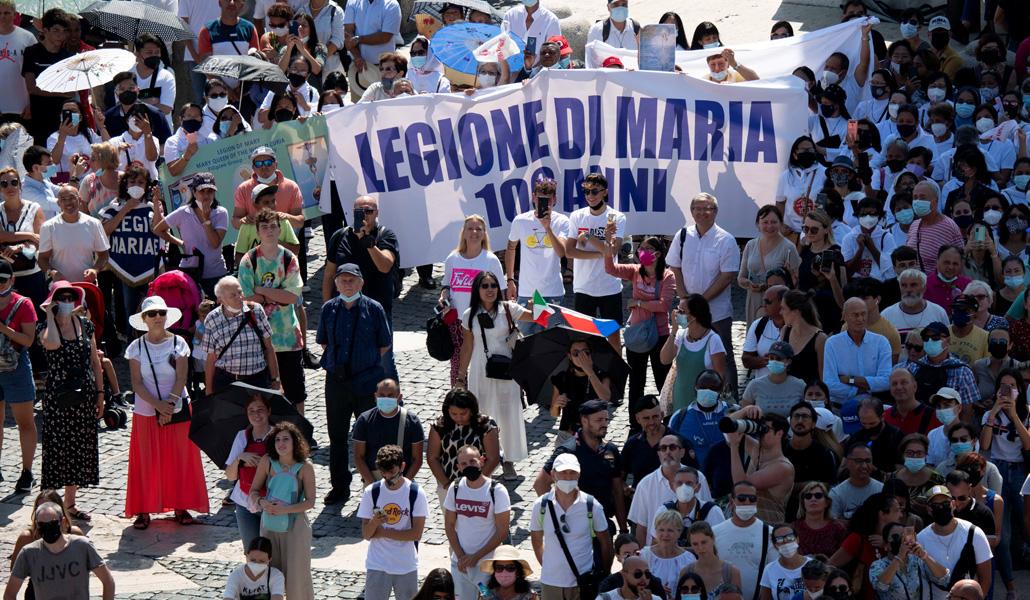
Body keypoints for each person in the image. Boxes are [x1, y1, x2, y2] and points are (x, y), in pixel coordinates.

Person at [123, 295, 207, 529]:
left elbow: (182, 377)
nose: (158, 317)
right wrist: (158, 406)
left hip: (177, 408)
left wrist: (168, 405)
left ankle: (181, 506)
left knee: (180, 459)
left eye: (161, 313)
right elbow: (137, 383)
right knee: (146, 461)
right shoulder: (135, 348)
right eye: (152, 314)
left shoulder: (179, 342)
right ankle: (143, 509)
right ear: (144, 319)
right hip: (146, 411)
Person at [316, 263, 391, 505]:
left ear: (361, 283)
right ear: (336, 283)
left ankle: (372, 484)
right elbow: (323, 342)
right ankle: (339, 486)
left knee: (370, 436)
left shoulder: (374, 308)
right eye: (343, 280)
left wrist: (364, 364)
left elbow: (384, 344)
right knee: (336, 437)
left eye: (352, 280)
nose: (347, 285)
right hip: (336, 383)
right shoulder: (329, 309)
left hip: (366, 382)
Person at [36, 281, 102, 522]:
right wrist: (52, 317)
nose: (65, 301)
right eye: (60, 297)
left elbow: (95, 361)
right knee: (57, 449)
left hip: (83, 395)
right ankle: (49, 507)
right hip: (58, 397)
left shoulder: (86, 326)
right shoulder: (44, 327)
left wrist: (100, 394)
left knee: (79, 448)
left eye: (69, 297)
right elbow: (52, 343)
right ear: (53, 300)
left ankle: (71, 503)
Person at [457, 270, 534, 478]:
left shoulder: (509, 309)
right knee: (482, 416)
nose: (490, 290)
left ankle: (508, 460)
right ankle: (485, 459)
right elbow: (467, 347)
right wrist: (460, 377)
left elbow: (538, 316)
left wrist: (537, 298)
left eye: (493, 285)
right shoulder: (469, 315)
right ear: (477, 289)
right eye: (485, 286)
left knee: (508, 414)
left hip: (508, 372)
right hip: (481, 372)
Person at [667, 193, 741, 393]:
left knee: (723, 356)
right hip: (687, 310)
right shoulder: (682, 235)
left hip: (717, 312)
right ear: (691, 212)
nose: (702, 213)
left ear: (715, 212)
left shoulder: (726, 240)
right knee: (687, 353)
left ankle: (729, 396)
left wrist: (699, 302)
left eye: (707, 208)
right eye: (697, 208)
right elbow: (675, 267)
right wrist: (684, 298)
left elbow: (727, 276)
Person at [237, 207, 305, 411]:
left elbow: (292, 297)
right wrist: (276, 293)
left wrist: (262, 291)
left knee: (295, 392)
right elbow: (247, 300)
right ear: (257, 232)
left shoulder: (289, 259)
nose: (269, 231)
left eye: (273, 227)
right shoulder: (249, 260)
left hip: (288, 338)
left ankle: (301, 433)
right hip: (259, 339)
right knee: (262, 395)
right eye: (264, 227)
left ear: (280, 230)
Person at [536, 400, 629, 534]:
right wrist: (556, 514)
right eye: (599, 420)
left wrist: (624, 530)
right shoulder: (568, 450)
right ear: (584, 421)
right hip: (576, 524)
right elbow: (541, 483)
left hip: (603, 523)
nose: (604, 424)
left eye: (606, 419)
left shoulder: (610, 450)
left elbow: (617, 491)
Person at [247, 422, 315, 600]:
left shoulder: (306, 467)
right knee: (268, 574)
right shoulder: (266, 462)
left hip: (296, 528)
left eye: (286, 439)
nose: (281, 443)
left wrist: (286, 509)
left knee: (297, 578)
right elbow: (253, 491)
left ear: (295, 442)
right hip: (269, 525)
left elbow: (310, 502)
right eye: (277, 439)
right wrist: (262, 502)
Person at [530, 453, 613, 600]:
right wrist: (550, 566)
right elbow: (536, 542)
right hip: (551, 583)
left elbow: (606, 543)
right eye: (563, 472)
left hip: (582, 582)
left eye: (572, 472)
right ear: (553, 474)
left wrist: (603, 574)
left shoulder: (592, 506)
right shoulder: (540, 506)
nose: (568, 477)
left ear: (579, 475)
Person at [605, 235, 675, 403]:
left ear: (658, 254)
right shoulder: (635, 270)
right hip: (637, 334)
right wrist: (608, 252)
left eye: (647, 250)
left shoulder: (667, 276)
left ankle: (666, 417)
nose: (642, 252)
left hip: (660, 334)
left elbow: (663, 306)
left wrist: (638, 303)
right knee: (636, 381)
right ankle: (635, 423)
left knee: (662, 380)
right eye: (640, 249)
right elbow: (611, 269)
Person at [563, 173, 626, 349]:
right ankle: (587, 375)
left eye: (595, 191)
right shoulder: (577, 216)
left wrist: (590, 237)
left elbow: (613, 251)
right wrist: (599, 254)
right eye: (586, 191)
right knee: (583, 338)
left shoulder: (616, 217)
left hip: (609, 286)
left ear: (604, 192)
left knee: (613, 337)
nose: (590, 196)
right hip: (584, 287)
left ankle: (617, 376)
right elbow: (569, 252)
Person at [3, 502, 115, 599]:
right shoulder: (29, 553)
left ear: (62, 522)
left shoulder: (82, 546)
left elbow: (108, 581)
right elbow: (9, 594)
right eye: (42, 525)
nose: (48, 528)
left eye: (52, 523)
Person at [442, 215, 506, 385]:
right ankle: (459, 398)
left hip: (482, 320)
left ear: (484, 233)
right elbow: (446, 285)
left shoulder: (491, 260)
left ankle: (481, 400)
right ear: (463, 233)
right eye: (470, 228)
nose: (474, 232)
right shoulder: (452, 258)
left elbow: (502, 292)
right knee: (457, 363)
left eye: (479, 229)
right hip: (457, 321)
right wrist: (443, 297)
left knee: (483, 361)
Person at [443, 444, 510, 599]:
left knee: (488, 597)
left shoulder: (497, 491)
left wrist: (475, 557)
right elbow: (449, 525)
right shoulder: (455, 488)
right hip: (460, 565)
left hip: (487, 567)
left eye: (472, 462)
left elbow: (502, 531)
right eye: (464, 464)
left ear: (481, 460)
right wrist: (461, 557)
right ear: (458, 467)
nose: (469, 466)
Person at [506, 176, 568, 334]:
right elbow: (511, 248)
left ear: (554, 199)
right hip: (528, 292)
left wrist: (548, 228)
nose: (544, 204)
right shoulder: (520, 220)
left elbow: (562, 252)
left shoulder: (562, 221)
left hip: (552, 291)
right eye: (540, 199)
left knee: (553, 340)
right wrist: (510, 279)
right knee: (526, 341)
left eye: (547, 200)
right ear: (533, 197)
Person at [153, 172, 229, 298]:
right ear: (194, 192)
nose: (206, 196)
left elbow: (215, 243)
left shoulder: (221, 213)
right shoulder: (183, 212)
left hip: (215, 274)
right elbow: (158, 229)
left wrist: (206, 219)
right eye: (202, 191)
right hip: (189, 273)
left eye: (210, 191)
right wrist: (180, 243)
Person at [324, 195, 398, 319]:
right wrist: (327, 307)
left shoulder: (385, 235)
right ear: (353, 213)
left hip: (376, 309)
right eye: (360, 211)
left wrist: (366, 240)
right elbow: (329, 274)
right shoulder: (340, 236)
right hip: (344, 308)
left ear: (377, 213)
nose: (365, 215)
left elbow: (385, 266)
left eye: (369, 211)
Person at [201, 275, 280, 393]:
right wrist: (209, 389)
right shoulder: (212, 319)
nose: (239, 297)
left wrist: (276, 379)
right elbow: (211, 358)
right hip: (227, 382)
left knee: (257, 411)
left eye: (240, 292)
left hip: (257, 379)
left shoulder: (256, 310)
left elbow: (269, 347)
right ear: (220, 299)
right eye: (233, 295)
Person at [629, 435, 711, 546]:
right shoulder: (645, 485)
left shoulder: (698, 478)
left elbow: (707, 512)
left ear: (682, 452)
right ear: (659, 454)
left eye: (672, 447)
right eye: (663, 448)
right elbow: (641, 527)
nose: (667, 452)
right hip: (658, 553)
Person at [916, 485, 993, 599]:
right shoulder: (921, 539)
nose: (941, 508)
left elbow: (985, 578)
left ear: (953, 504)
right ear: (929, 509)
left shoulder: (974, 533)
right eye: (936, 506)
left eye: (945, 504)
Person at [0, 261, 37, 492]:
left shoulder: (23, 304)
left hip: (16, 368)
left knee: (25, 422)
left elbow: (28, 341)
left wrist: (3, 328)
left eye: (1, 280)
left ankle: (27, 471)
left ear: (11, 280)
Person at [427, 388, 501, 499]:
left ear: (471, 410)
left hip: (479, 484)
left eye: (463, 413)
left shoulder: (485, 425)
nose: (458, 418)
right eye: (454, 414)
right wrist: (447, 485)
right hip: (448, 483)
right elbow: (432, 458)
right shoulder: (439, 426)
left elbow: (493, 458)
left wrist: (476, 483)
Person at [828, 492, 903, 599]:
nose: (901, 515)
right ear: (882, 514)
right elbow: (830, 566)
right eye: (896, 510)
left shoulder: (900, 537)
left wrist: (887, 544)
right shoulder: (858, 539)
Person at [352, 378, 424, 487]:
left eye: (390, 395)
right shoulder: (364, 420)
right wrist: (373, 485)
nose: (386, 398)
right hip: (373, 478)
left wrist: (403, 484)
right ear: (375, 397)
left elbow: (417, 459)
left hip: (402, 479)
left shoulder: (412, 421)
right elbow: (359, 457)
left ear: (399, 398)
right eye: (382, 395)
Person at [224, 391, 273, 550]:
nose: (256, 414)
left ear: (268, 411)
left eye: (260, 409)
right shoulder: (241, 436)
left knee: (273, 551)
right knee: (251, 551)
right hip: (244, 502)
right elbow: (230, 476)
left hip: (270, 502)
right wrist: (239, 458)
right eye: (251, 410)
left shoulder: (278, 436)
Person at [661, 294, 727, 411]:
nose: (676, 314)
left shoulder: (713, 340)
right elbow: (664, 359)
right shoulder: (680, 335)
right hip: (680, 400)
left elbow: (720, 376)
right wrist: (674, 331)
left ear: (694, 316)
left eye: (681, 311)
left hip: (704, 405)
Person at [823, 297, 893, 405]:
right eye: (855, 315)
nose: (860, 319)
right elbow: (829, 385)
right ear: (845, 316)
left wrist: (850, 379)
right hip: (842, 406)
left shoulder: (881, 342)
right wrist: (862, 389)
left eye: (863, 314)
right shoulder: (832, 344)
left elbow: (886, 381)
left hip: (874, 406)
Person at [738, 206, 799, 326]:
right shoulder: (750, 245)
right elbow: (741, 277)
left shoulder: (789, 248)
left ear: (781, 224)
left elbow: (796, 282)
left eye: (774, 222)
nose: (769, 226)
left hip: (778, 302)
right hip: (754, 299)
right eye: (765, 222)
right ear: (758, 224)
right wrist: (748, 284)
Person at [713, 481, 773, 600]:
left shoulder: (769, 533)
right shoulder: (715, 532)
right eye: (741, 498)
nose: (747, 502)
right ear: (732, 501)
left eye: (752, 499)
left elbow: (773, 573)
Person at [20, 9, 73, 145]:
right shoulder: (31, 52)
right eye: (56, 30)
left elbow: (71, 92)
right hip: (38, 120)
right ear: (45, 30)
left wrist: (50, 91)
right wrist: (60, 93)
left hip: (62, 121)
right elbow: (31, 88)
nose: (61, 35)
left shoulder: (69, 57)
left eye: (64, 31)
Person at [37, 185, 108, 284]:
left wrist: (95, 270)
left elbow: (104, 255)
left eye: (71, 198)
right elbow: (42, 259)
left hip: (87, 285)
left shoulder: (94, 224)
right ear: (58, 203)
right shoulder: (48, 227)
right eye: (63, 199)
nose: (68, 202)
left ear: (79, 199)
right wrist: (52, 272)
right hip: (60, 289)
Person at [906, 322, 978, 415]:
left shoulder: (963, 371)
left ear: (948, 340)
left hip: (948, 426)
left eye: (935, 338)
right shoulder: (914, 367)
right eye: (926, 338)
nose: (930, 341)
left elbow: (966, 412)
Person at [868, 520, 949, 600]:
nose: (901, 541)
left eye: (904, 536)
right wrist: (899, 557)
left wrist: (925, 556)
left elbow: (944, 579)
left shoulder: (918, 560)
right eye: (896, 537)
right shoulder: (878, 565)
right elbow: (880, 586)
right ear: (886, 545)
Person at [550, 339, 612, 441]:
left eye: (585, 352)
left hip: (592, 436)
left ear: (590, 354)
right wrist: (556, 404)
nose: (581, 357)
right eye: (576, 353)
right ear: (569, 356)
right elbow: (554, 413)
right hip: (567, 435)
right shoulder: (562, 378)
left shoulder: (601, 375)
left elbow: (605, 398)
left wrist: (589, 371)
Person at [342, 0, 401, 102]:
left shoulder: (391, 4)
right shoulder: (352, 2)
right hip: (359, 70)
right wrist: (357, 57)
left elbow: (385, 36)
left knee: (385, 110)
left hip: (384, 71)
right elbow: (348, 34)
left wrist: (358, 39)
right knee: (359, 111)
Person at [0, 1, 40, 127]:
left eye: (6, 13)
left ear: (14, 15)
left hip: (23, 108)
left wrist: (32, 103)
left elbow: (37, 73)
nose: (2, 17)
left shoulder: (28, 37)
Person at [889, 433, 945, 523]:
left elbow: (944, 509)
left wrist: (927, 509)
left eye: (919, 453)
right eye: (909, 453)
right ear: (903, 455)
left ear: (926, 454)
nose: (914, 456)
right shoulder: (892, 479)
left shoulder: (937, 480)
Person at [741, 341, 806, 417]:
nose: (774, 361)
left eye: (778, 359)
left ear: (788, 361)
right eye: (771, 358)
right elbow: (744, 413)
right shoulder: (754, 385)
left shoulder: (800, 385)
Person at [784, 402, 840, 490]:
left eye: (805, 417)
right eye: (796, 416)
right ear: (790, 421)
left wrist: (793, 487)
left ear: (814, 424)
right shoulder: (780, 449)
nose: (800, 421)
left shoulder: (825, 454)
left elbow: (830, 485)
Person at [640, 510, 695, 599]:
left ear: (679, 532)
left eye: (670, 530)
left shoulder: (688, 559)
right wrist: (656, 589)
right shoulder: (644, 555)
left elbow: (693, 594)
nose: (665, 534)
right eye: (661, 530)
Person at [679, 522, 741, 600]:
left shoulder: (731, 572)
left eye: (704, 542)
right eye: (695, 544)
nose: (700, 548)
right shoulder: (686, 572)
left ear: (713, 539)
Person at [881, 269, 950, 338]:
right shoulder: (887, 315)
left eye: (913, 285)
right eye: (904, 285)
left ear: (924, 288)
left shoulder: (938, 312)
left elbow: (947, 342)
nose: (908, 290)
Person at [779, 290, 828, 384]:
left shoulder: (820, 339)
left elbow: (823, 376)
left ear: (795, 311)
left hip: (809, 394)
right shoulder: (785, 331)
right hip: (788, 393)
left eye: (783, 308)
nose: (780, 312)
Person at [599, 534, 668, 599]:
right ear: (618, 556)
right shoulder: (608, 585)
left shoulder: (654, 583)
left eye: (636, 553)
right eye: (627, 554)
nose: (633, 557)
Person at [741, 286, 788, 380]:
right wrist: (767, 361)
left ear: (782, 303)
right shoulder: (758, 325)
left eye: (768, 302)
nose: (764, 305)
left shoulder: (797, 327)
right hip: (763, 388)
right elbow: (746, 359)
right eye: (764, 301)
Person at [849, 397, 905, 473]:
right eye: (863, 423)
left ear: (882, 417)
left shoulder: (896, 436)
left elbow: (902, 468)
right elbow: (845, 464)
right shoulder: (856, 437)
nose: (868, 427)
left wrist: (878, 472)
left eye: (872, 423)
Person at [793, 481, 848, 557]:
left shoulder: (838, 528)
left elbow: (844, 555)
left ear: (827, 502)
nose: (813, 499)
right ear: (803, 502)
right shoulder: (794, 528)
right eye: (808, 496)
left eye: (818, 496)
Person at [829, 444, 884, 520]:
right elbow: (833, 524)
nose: (864, 466)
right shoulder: (837, 494)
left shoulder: (882, 490)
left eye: (868, 461)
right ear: (848, 463)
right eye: (859, 461)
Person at [223, 536, 285, 600]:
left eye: (262, 561)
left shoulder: (276, 576)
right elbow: (228, 597)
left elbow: (277, 597)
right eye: (253, 560)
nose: (257, 564)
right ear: (246, 556)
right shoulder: (236, 575)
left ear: (269, 560)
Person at [758, 523, 809, 600]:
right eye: (780, 539)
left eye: (790, 537)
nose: (785, 541)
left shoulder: (811, 564)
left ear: (797, 539)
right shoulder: (769, 569)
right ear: (775, 545)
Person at [501, 0, 561, 65]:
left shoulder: (551, 20)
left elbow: (553, 54)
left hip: (538, 72)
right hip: (510, 70)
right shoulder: (510, 15)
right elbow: (502, 45)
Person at [884, 367, 941, 435]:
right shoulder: (885, 417)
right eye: (894, 384)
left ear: (915, 386)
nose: (899, 387)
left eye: (904, 382)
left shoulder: (934, 417)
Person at [20, 145, 64, 220]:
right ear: (35, 168)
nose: (53, 165)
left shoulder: (44, 179)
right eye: (49, 163)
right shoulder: (25, 190)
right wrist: (75, 176)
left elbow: (61, 191)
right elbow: (59, 204)